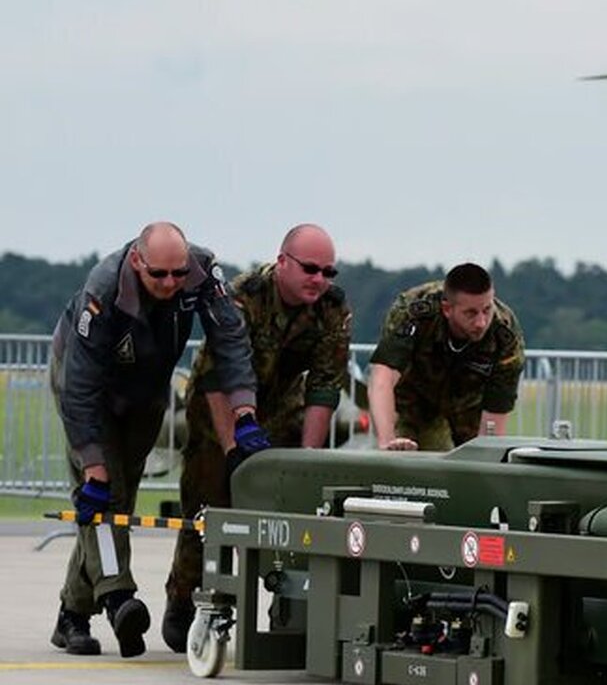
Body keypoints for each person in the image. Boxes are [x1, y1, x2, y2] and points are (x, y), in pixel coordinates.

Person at [49, 222, 268, 658]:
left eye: (178, 274)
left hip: (146, 391)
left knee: (120, 497)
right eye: (159, 275)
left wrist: (244, 412)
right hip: (85, 389)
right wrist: (92, 463)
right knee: (103, 492)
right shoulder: (104, 289)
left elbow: (229, 340)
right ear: (136, 261)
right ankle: (118, 598)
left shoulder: (203, 273)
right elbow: (80, 388)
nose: (171, 283)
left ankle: (71, 615)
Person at [162, 224, 351, 652]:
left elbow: (324, 386)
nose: (319, 279)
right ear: (282, 261)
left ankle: (287, 602)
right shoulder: (242, 295)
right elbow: (215, 375)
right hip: (220, 409)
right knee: (208, 503)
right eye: (309, 268)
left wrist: (307, 457)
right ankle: (184, 597)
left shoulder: (332, 308)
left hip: (282, 408)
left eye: (328, 271)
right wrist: (232, 451)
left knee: (292, 509)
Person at [368, 262, 524, 452]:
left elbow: (495, 414)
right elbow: (382, 377)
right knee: (402, 461)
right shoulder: (415, 310)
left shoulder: (504, 335)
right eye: (471, 313)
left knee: (478, 462)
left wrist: (485, 461)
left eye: (487, 310)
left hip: (469, 407)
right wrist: (387, 440)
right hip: (411, 400)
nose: (481, 322)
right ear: (447, 309)